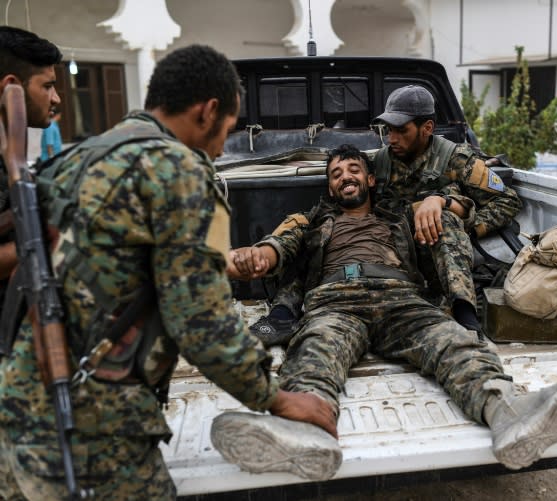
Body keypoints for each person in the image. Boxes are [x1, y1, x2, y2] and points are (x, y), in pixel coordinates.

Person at [0, 44, 336, 501]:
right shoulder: (177, 171)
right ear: (208, 111)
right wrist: (276, 397)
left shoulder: (82, 156)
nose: (222, 147)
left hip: (21, 402)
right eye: (229, 129)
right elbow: (201, 322)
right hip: (91, 426)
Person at [219, 144, 557, 480]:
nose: (345, 177)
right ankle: (306, 435)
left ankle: (508, 414)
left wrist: (438, 200)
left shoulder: (401, 212)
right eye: (336, 174)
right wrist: (259, 257)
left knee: (453, 342)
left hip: (400, 299)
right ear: (331, 187)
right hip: (336, 300)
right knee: (316, 350)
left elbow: (471, 206)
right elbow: (279, 244)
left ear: (370, 180)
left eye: (353, 170)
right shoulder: (313, 219)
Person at [251, 84, 522, 345]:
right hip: (395, 250)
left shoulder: (457, 160)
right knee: (314, 237)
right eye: (389, 129)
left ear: (426, 128)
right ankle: (282, 315)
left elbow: (509, 202)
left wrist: (459, 218)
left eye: (401, 130)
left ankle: (465, 317)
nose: (391, 138)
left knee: (446, 221)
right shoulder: (380, 163)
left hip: (437, 252)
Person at [0, 26, 61, 318]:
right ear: (11, 85)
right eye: (47, 86)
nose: (56, 98)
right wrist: (60, 239)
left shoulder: (9, 154)